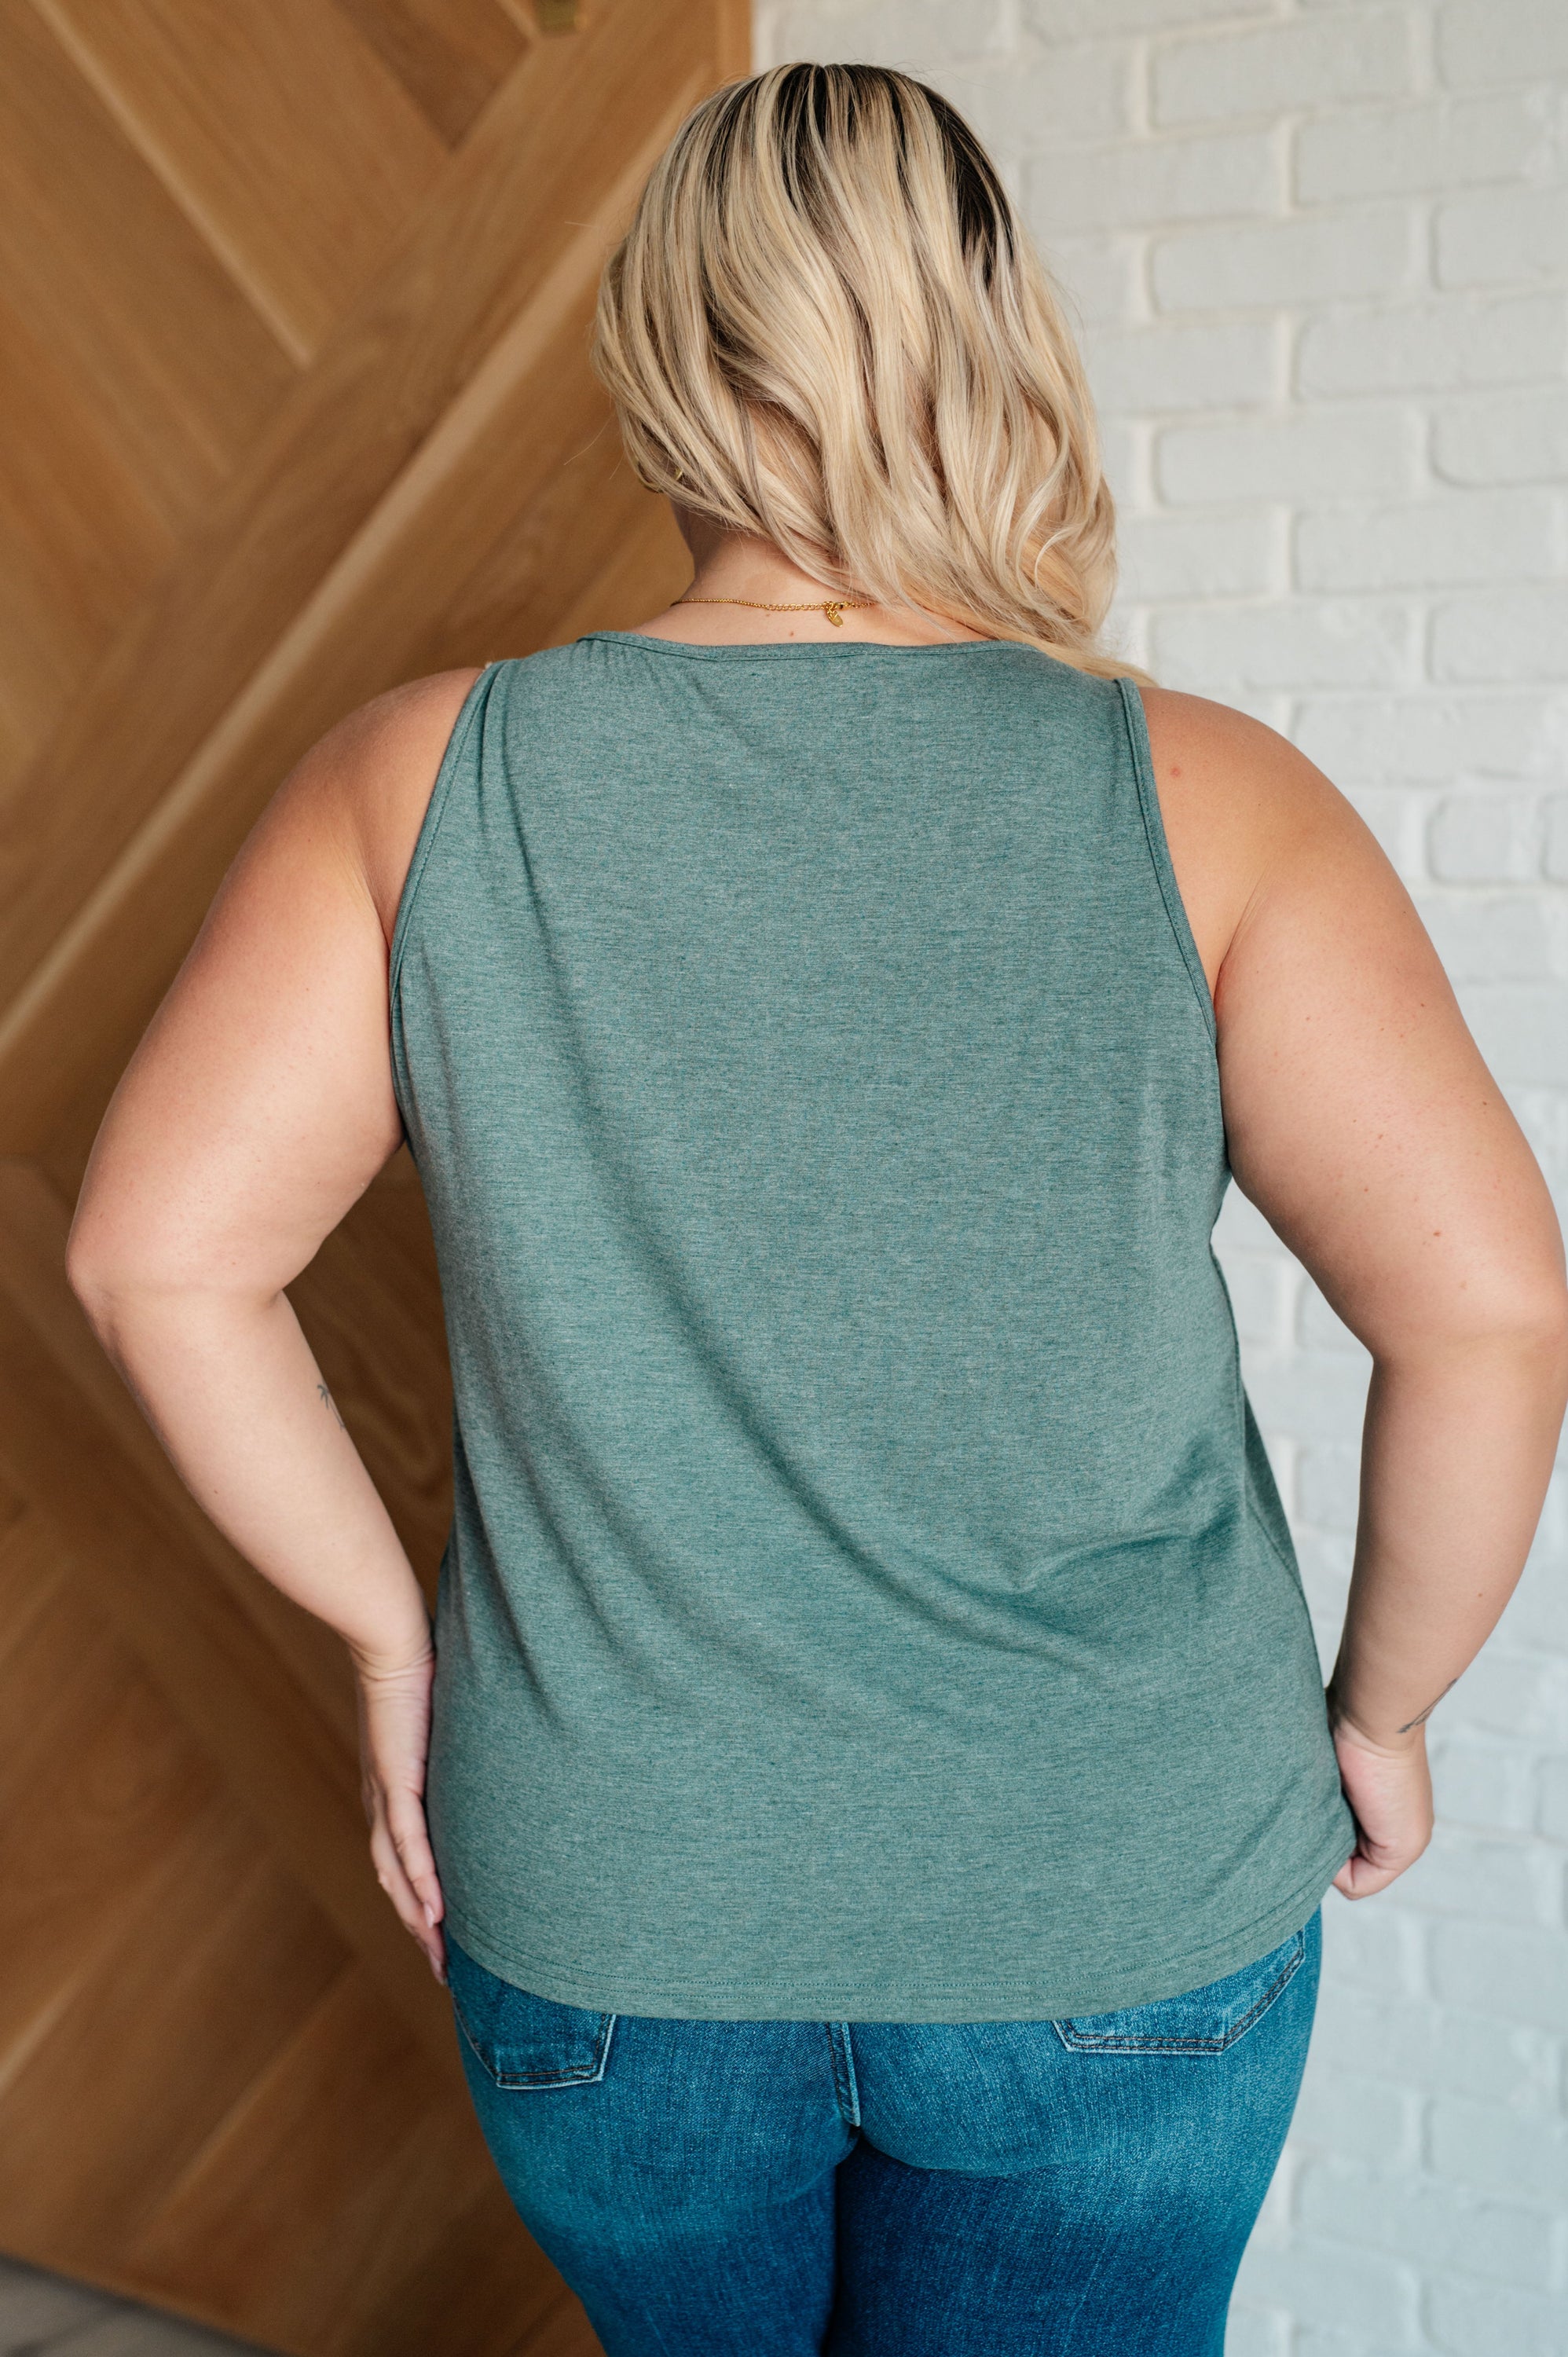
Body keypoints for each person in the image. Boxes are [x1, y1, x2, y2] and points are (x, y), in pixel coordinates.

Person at [67, 61, 1566, 2357]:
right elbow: (1489, 1316)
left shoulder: (416, 780)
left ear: (655, 356)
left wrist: (395, 1648)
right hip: (1113, 1895)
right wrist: (1383, 1707)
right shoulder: (1207, 796)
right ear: (992, 335)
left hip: (615, 1909)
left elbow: (155, 1257)